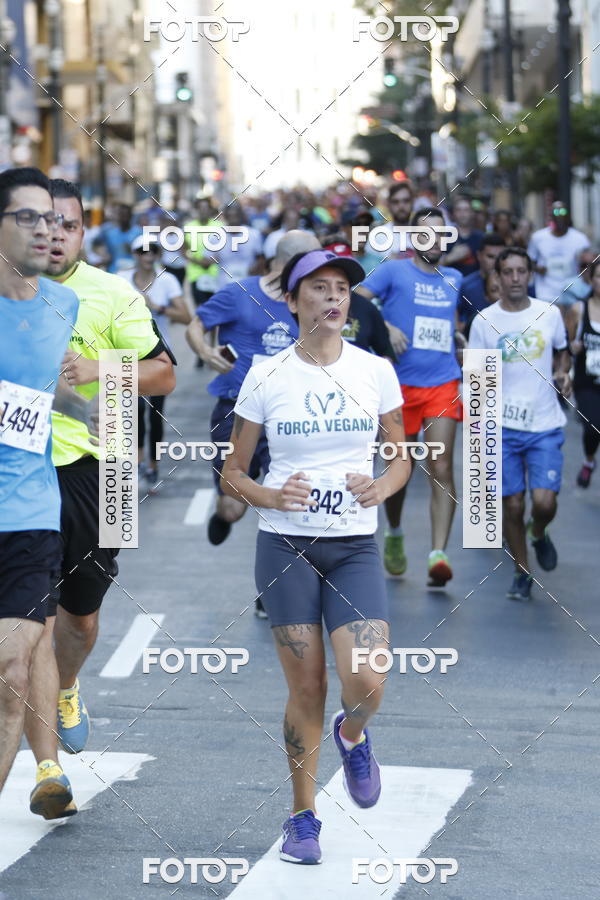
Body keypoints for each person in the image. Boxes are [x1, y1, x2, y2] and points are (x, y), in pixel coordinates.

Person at [221, 248, 410, 864]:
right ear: (293, 300)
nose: (334, 298)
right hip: (285, 545)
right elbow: (232, 473)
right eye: (320, 288)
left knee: (368, 680)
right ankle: (303, 818)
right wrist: (270, 494)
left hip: (354, 542)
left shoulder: (375, 369)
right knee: (308, 685)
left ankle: (352, 736)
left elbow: (401, 455)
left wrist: (381, 485)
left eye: (342, 290)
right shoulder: (265, 374)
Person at [22, 179, 176, 819]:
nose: (53, 234)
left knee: (79, 619)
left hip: (103, 469)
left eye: (67, 225)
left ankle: (69, 684)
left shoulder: (113, 294)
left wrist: (101, 371)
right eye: (41, 222)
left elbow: (162, 372)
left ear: (84, 234)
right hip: (23, 468)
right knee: (29, 621)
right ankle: (46, 766)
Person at [0, 167, 95, 812]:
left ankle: (46, 767)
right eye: (28, 217)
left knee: (10, 672)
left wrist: (81, 407)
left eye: (54, 219)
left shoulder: (66, 306)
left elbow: (34, 388)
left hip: (32, 510)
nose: (45, 229)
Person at [186, 230, 320, 567]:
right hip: (236, 412)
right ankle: (224, 514)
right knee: (233, 507)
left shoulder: (308, 303)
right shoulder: (239, 293)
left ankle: (277, 582)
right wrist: (204, 350)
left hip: (287, 415)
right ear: (292, 263)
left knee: (290, 497)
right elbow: (195, 325)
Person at [357, 208, 463, 585]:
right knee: (400, 470)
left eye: (440, 235)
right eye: (425, 235)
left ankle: (438, 555)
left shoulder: (455, 278)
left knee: (442, 467)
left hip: (443, 384)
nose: (433, 241)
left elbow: (449, 323)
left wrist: (458, 338)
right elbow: (356, 301)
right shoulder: (392, 270)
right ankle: (396, 531)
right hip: (397, 388)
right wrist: (385, 328)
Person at [468, 247, 571, 602]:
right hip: (502, 428)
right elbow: (476, 378)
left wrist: (562, 372)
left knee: (543, 503)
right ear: (496, 278)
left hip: (544, 423)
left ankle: (538, 532)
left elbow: (562, 350)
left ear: (530, 275)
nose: (514, 278)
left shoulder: (549, 314)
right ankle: (522, 572)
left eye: (520, 271)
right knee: (511, 505)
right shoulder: (484, 321)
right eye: (507, 272)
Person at [120, 235, 191, 491]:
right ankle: (139, 462)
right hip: (129, 355)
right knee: (135, 410)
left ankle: (153, 465)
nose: (148, 256)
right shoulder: (121, 281)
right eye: (142, 251)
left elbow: (186, 316)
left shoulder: (167, 280)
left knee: (156, 415)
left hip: (159, 355)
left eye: (153, 251)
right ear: (135, 254)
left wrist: (156, 307)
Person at [320, 237, 396, 360]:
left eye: (345, 267)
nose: (340, 273)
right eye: (333, 267)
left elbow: (386, 354)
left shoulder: (366, 308)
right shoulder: (309, 305)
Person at [567, 258, 600, 488]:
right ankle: (589, 461)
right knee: (592, 427)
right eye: (599, 277)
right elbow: (567, 343)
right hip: (586, 381)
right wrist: (573, 346)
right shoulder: (579, 309)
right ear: (592, 279)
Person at [528, 202, 590, 306]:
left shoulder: (580, 239)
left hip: (572, 293)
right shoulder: (538, 237)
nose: (559, 215)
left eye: (563, 211)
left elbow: (589, 265)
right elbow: (529, 262)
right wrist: (538, 268)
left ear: (568, 215)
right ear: (550, 216)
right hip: (546, 294)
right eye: (556, 211)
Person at [457, 233, 506, 330]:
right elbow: (458, 322)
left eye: (500, 257)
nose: (496, 262)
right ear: (479, 256)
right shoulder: (465, 286)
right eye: (490, 256)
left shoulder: (513, 283)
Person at [211, 202, 265, 289]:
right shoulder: (216, 236)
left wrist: (254, 270)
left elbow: (261, 258)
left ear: (241, 215)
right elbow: (209, 259)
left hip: (248, 285)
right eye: (230, 216)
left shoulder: (254, 234)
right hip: (224, 287)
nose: (233, 219)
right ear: (225, 216)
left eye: (236, 215)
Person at [184, 196, 221, 308]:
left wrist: (211, 262)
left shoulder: (219, 226)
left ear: (210, 210)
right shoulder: (188, 227)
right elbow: (183, 249)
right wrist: (195, 261)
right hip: (196, 274)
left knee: (215, 307)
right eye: (200, 208)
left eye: (206, 208)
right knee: (200, 309)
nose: (203, 211)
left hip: (215, 273)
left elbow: (224, 249)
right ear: (196, 210)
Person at [366, 181, 414, 260]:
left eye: (406, 201)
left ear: (412, 202)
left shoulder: (424, 235)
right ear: (388, 205)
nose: (401, 206)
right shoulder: (378, 236)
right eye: (395, 202)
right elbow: (370, 268)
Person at [444, 195, 484, 276]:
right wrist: (450, 258)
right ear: (453, 214)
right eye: (459, 210)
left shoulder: (481, 238)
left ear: (472, 213)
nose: (462, 214)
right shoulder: (445, 237)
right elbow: (433, 265)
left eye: (466, 210)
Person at [101, 202, 142, 273]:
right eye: (121, 215)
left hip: (133, 272)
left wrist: (133, 250)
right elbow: (100, 247)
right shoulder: (110, 233)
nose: (123, 218)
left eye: (126, 215)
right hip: (114, 272)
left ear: (130, 216)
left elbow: (146, 253)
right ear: (117, 216)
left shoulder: (140, 232)